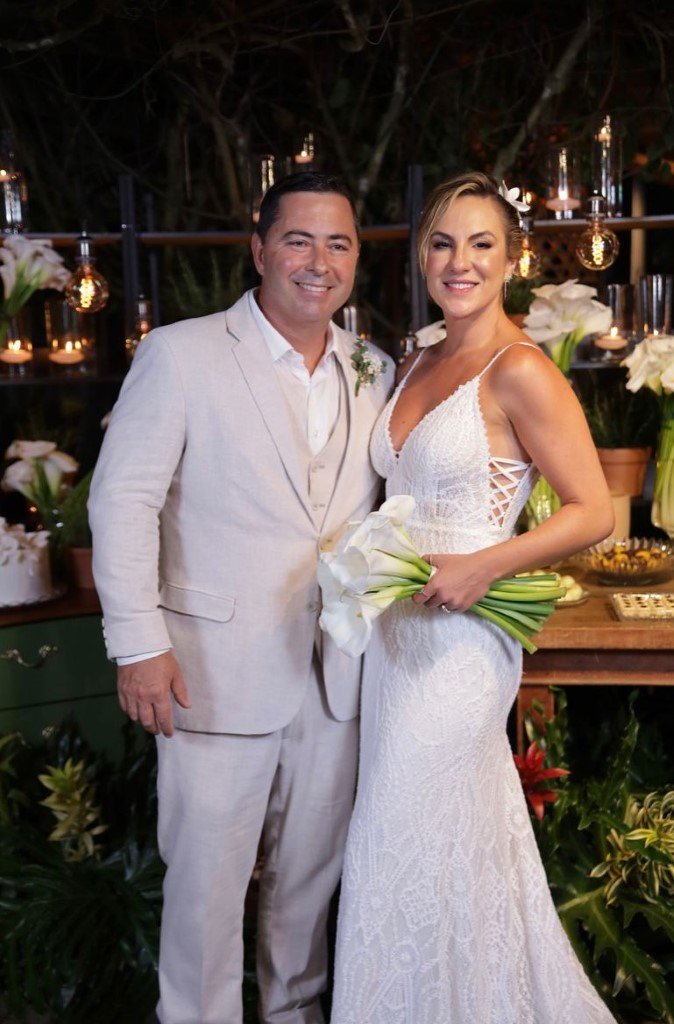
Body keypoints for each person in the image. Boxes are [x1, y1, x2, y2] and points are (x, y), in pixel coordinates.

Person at [88, 171, 394, 1024]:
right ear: (259, 251)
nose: (319, 261)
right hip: (210, 675)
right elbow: (122, 501)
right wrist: (138, 646)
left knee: (306, 896)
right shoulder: (180, 354)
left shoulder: (374, 368)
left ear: (355, 261)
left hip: (336, 680)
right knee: (205, 902)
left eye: (338, 244)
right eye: (298, 240)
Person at [330, 171, 617, 1023]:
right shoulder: (417, 357)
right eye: (444, 244)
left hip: (461, 643)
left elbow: (594, 510)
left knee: (397, 832)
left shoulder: (520, 368)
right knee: (435, 843)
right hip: (395, 639)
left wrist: (484, 566)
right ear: (423, 257)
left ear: (512, 259)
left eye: (482, 244)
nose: (461, 262)